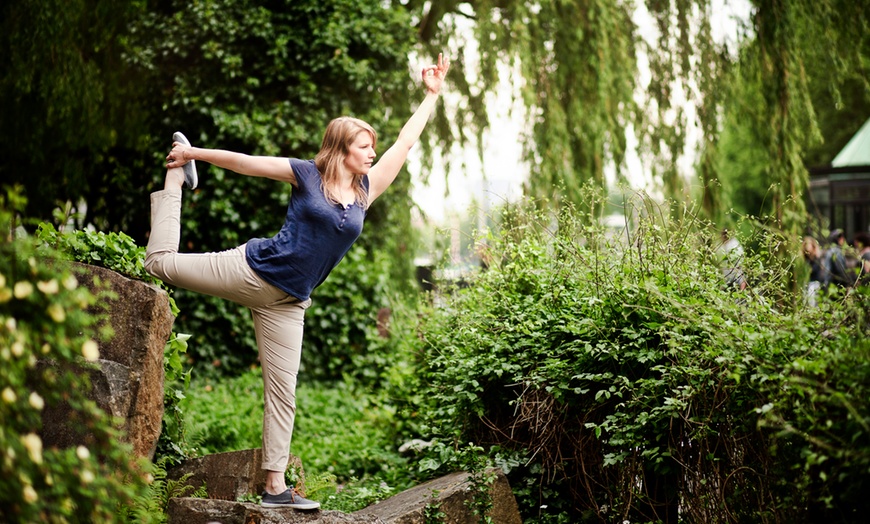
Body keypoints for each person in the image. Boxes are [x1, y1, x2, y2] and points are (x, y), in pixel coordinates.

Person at [144, 54, 450, 510]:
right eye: (364, 146)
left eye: (372, 147)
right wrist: (191, 155)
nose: (371, 153)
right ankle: (174, 179)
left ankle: (274, 489)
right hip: (251, 271)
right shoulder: (307, 174)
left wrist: (431, 96)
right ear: (342, 149)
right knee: (160, 264)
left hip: (289, 303)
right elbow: (246, 163)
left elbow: (404, 145)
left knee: (283, 393)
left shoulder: (367, 192)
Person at [802, 235, 824, 306]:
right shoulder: (807, 259)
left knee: (814, 303)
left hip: (817, 283)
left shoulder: (817, 258)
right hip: (809, 283)